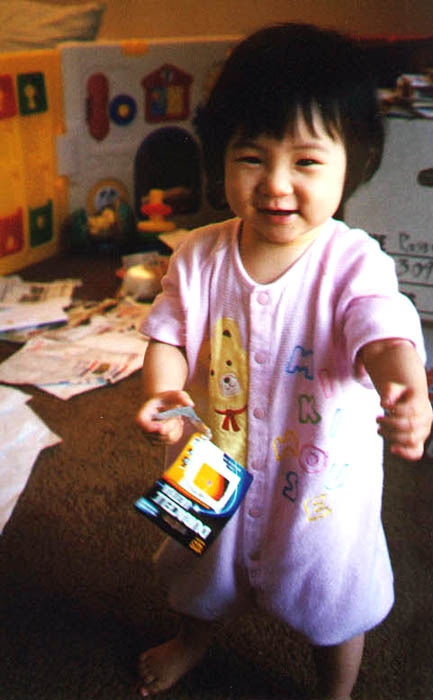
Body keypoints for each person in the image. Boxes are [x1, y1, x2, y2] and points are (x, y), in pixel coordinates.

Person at [135, 23, 433, 700]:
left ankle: (335, 690)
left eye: (305, 162)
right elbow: (169, 333)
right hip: (213, 455)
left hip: (320, 480)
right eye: (251, 157)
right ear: (220, 154)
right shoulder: (199, 255)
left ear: (352, 162)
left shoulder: (353, 262)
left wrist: (406, 389)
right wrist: (164, 390)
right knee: (198, 568)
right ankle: (192, 640)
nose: (275, 184)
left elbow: (385, 334)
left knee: (333, 594)